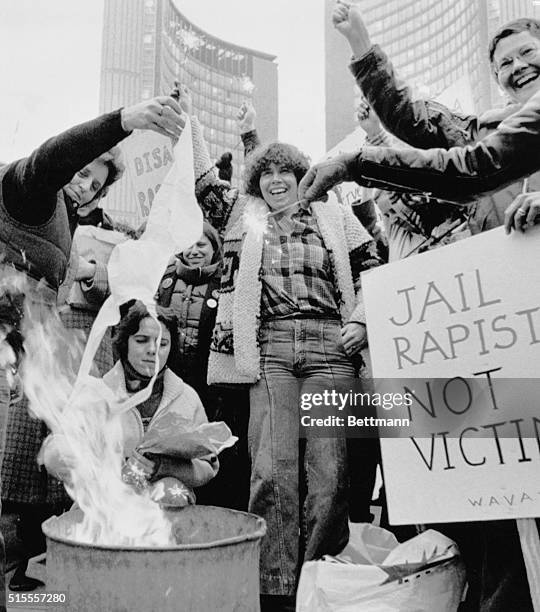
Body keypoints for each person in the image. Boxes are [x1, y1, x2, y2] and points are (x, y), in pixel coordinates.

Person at [182, 88, 381, 611]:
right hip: (269, 351)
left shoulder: (335, 215)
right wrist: (194, 127)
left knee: (331, 475)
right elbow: (206, 185)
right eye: (266, 174)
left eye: (284, 173)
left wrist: (361, 320)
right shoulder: (244, 219)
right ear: (259, 183)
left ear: (299, 177)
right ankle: (273, 590)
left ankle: (317, 586)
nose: (275, 181)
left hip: (332, 349)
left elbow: (374, 269)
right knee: (270, 470)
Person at [0, 93, 185, 596]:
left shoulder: (69, 220)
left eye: (94, 183)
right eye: (80, 172)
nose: (82, 183)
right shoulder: (29, 191)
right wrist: (124, 122)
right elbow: (48, 159)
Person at [298, 12, 540, 233]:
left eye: (527, 52)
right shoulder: (476, 132)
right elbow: (413, 119)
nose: (518, 66)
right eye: (506, 63)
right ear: (498, 79)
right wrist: (362, 48)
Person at [43, 301, 219, 507]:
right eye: (142, 340)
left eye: (162, 344)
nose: (152, 350)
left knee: (172, 492)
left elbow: (208, 465)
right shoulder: (96, 394)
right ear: (124, 342)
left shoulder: (186, 398)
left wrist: (164, 467)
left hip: (166, 505)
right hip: (105, 503)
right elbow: (55, 453)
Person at [156, 223, 250, 510]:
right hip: (175, 387)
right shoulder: (166, 280)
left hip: (213, 388)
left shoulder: (227, 281)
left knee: (214, 454)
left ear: (215, 248)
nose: (194, 250)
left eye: (202, 245)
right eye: (189, 243)